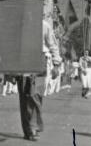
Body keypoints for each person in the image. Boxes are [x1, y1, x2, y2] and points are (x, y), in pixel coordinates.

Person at [17, 12, 61, 142]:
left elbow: (53, 45)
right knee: (24, 97)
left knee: (35, 96)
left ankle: (34, 127)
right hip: (23, 62)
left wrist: (56, 64)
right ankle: (27, 129)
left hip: (40, 61)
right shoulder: (20, 26)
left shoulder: (45, 26)